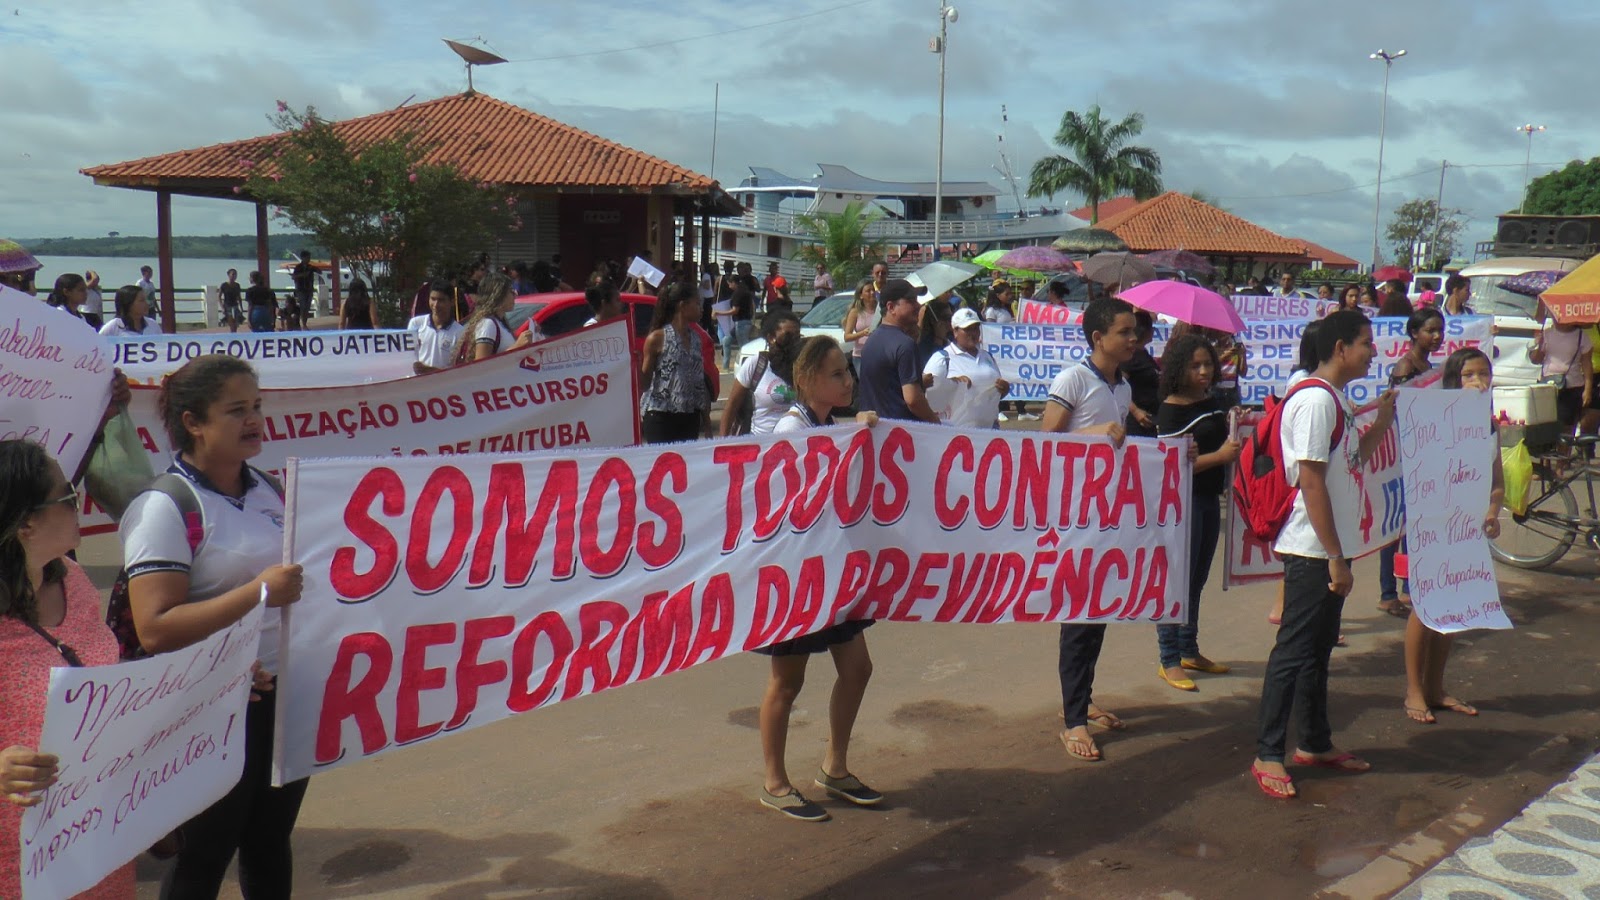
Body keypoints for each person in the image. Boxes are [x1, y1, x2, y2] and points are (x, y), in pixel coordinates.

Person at [119, 355, 308, 897]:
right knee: (205, 853)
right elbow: (155, 627)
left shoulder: (272, 489)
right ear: (193, 422)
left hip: (283, 696)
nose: (254, 420)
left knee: (270, 842)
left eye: (257, 406)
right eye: (235, 410)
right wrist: (258, 593)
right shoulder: (164, 506)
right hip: (210, 703)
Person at [1251, 309, 1396, 800]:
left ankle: (1314, 743)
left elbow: (1353, 462)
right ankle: (1267, 752)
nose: (1372, 352)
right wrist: (1334, 555)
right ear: (1340, 348)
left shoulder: (1337, 399)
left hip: (1330, 547)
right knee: (1294, 651)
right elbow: (1311, 482)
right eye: (1365, 343)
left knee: (1317, 649)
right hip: (1312, 549)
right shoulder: (1315, 400)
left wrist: (1383, 420)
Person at [0, 439, 137, 900]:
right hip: (17, 860)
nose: (81, 504)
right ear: (26, 523)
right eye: (68, 496)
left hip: (96, 838)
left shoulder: (73, 579)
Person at [755, 335, 880, 821]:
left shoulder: (827, 426)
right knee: (787, 681)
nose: (848, 382)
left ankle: (835, 767)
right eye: (837, 374)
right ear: (808, 380)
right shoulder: (792, 430)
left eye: (847, 372)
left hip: (832, 572)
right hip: (798, 576)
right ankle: (774, 782)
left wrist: (859, 428)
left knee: (858, 669)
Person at [1041, 297, 1141, 762]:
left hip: (1107, 515)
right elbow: (1045, 444)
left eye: (1134, 331)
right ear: (1099, 337)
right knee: (1079, 618)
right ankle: (1073, 721)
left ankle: (1082, 699)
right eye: (1125, 331)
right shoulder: (1073, 380)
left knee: (1098, 613)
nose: (1134, 339)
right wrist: (1093, 434)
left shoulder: (1123, 387)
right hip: (1074, 518)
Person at [1403, 347, 1502, 725]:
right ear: (1453, 381)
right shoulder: (1437, 421)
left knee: (1453, 607)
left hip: (1468, 531)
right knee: (1425, 606)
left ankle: (1435, 688)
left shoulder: (1489, 425)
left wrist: (1492, 512)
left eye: (1483, 374)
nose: (1478, 381)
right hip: (1434, 524)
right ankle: (1414, 690)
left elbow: (1496, 481)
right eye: (1469, 375)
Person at [1154, 333, 1238, 691]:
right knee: (1177, 581)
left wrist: (1235, 422)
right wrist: (1219, 457)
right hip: (1181, 504)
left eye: (1207, 364)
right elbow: (1170, 466)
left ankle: (1189, 648)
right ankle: (1169, 659)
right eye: (1195, 366)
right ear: (1179, 369)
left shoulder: (1211, 400)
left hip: (1207, 500)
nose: (1204, 371)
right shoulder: (1171, 409)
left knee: (1197, 580)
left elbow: (1218, 440)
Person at [1379, 307, 1445, 620]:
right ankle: (1388, 592)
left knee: (1413, 528)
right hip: (1403, 456)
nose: (1436, 336)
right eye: (1430, 330)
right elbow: (1401, 411)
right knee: (1395, 528)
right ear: (1414, 333)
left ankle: (1408, 586)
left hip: (1422, 454)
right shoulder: (1405, 367)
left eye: (1440, 330)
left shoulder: (1429, 367)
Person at [856, 279, 939, 423]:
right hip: (901, 432)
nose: (918, 305)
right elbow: (913, 400)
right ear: (891, 307)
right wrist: (934, 420)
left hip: (876, 430)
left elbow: (886, 389)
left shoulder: (871, 341)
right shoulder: (905, 345)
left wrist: (919, 383)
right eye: (911, 301)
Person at [639, 283, 711, 443]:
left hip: (689, 418)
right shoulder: (657, 338)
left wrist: (706, 422)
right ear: (682, 306)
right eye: (697, 303)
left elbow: (699, 384)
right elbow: (644, 384)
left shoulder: (696, 339)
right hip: (661, 417)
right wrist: (635, 364)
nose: (701, 309)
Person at [923, 307, 1007, 428]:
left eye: (975, 328)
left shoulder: (987, 357)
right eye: (967, 329)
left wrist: (1004, 389)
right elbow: (929, 392)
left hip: (989, 428)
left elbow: (993, 395)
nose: (973, 333)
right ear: (955, 332)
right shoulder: (942, 358)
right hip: (957, 430)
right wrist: (953, 382)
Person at [721, 310, 800, 437]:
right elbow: (732, 405)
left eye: (797, 336)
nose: (794, 341)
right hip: (761, 444)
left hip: (796, 443)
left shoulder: (804, 367)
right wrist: (722, 443)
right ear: (771, 337)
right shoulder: (757, 364)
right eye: (788, 335)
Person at [1530, 312, 1594, 433]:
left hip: (1572, 387)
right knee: (1545, 424)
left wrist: (1587, 390)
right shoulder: (1547, 334)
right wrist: (1539, 346)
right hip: (1547, 386)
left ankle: (1564, 445)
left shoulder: (1582, 336)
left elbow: (1587, 364)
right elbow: (1536, 360)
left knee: (1567, 426)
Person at [459, 273, 534, 363]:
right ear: (499, 295)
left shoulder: (500, 322)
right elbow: (481, 365)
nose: (515, 294)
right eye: (511, 291)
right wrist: (517, 347)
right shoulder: (488, 324)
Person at [408, 284, 464, 375]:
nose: (436, 305)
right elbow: (407, 356)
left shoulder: (460, 332)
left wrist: (430, 370)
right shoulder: (416, 324)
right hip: (416, 381)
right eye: (433, 299)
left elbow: (460, 370)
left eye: (441, 300)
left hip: (443, 383)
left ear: (452, 302)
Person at [1124, 310, 1160, 437]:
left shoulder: (1143, 354)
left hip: (1149, 419)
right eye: (1151, 327)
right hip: (1136, 422)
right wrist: (1135, 411)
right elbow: (1118, 385)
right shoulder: (1130, 356)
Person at [841, 279, 879, 375]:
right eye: (868, 291)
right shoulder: (855, 312)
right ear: (861, 295)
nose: (872, 293)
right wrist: (863, 333)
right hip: (860, 355)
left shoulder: (879, 310)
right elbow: (847, 337)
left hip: (878, 354)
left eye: (873, 290)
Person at [99, 284, 164, 336]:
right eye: (141, 300)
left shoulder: (153, 325)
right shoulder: (112, 328)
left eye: (145, 300)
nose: (147, 304)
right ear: (128, 304)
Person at [915, 296, 954, 370]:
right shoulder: (924, 345)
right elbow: (933, 367)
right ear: (933, 321)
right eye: (947, 318)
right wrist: (938, 339)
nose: (951, 322)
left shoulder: (953, 337)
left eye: (952, 317)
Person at [219, 268, 243, 333]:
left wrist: (241, 307)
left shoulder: (237, 285)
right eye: (233, 274)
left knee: (236, 324)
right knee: (231, 323)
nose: (234, 276)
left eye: (235, 274)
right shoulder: (224, 285)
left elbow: (239, 297)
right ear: (228, 275)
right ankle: (232, 335)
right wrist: (222, 307)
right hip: (227, 306)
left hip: (235, 306)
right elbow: (219, 297)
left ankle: (234, 334)